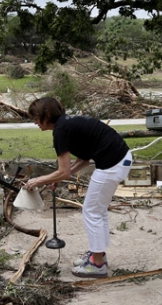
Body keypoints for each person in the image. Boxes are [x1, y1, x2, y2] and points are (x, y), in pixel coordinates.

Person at [24, 97, 133, 278]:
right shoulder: (67, 125)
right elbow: (83, 160)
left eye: (35, 117)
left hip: (112, 163)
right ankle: (98, 256)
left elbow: (63, 171)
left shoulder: (61, 130)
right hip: (118, 159)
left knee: (91, 212)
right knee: (98, 211)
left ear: (46, 114)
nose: (34, 121)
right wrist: (58, 178)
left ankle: (97, 265)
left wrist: (38, 180)